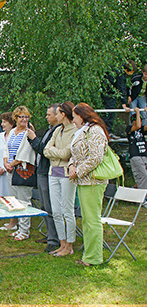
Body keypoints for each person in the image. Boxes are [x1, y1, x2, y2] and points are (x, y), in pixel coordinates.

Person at [68, 103, 109, 267]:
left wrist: (78, 171)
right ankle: (88, 255)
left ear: (82, 115)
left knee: (92, 220)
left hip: (93, 181)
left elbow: (96, 157)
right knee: (86, 220)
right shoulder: (82, 131)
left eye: (74, 116)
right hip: (83, 180)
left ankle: (94, 258)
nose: (72, 119)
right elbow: (76, 154)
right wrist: (71, 166)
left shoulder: (96, 130)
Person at [43, 101, 78, 256]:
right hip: (53, 172)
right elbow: (45, 150)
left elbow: (67, 154)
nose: (55, 116)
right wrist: (57, 151)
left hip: (66, 174)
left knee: (67, 210)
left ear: (63, 114)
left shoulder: (75, 131)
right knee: (56, 211)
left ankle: (69, 245)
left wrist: (54, 151)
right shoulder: (57, 130)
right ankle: (62, 243)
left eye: (57, 113)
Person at [27, 104, 61, 253]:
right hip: (41, 170)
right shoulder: (50, 130)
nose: (46, 117)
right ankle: (50, 235)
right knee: (44, 205)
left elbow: (44, 150)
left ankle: (55, 239)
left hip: (49, 171)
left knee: (50, 206)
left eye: (49, 115)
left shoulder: (59, 131)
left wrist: (33, 138)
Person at [3, 106, 36, 241]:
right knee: (14, 200)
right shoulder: (12, 132)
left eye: (26, 117)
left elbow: (25, 153)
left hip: (22, 170)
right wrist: (6, 162)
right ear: (15, 118)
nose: (24, 119)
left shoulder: (28, 133)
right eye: (21, 117)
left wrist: (12, 164)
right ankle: (18, 228)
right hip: (10, 169)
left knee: (24, 201)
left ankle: (25, 230)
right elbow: (7, 149)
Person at [0, 112, 17, 231]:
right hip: (0, 172)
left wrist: (6, 167)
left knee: (12, 197)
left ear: (11, 123)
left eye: (4, 122)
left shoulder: (16, 136)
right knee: (2, 196)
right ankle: (5, 216)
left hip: (11, 171)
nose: (2, 124)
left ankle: (14, 221)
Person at [100, 61, 133, 139]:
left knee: (107, 113)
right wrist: (124, 104)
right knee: (109, 113)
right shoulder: (120, 74)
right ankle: (107, 132)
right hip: (109, 93)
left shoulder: (116, 69)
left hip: (106, 91)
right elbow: (121, 88)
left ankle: (106, 131)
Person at [126, 107, 147, 189]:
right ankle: (143, 198)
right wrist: (138, 112)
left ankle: (134, 190)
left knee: (144, 176)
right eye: (139, 119)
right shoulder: (129, 129)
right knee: (143, 176)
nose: (141, 122)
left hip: (144, 155)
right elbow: (137, 126)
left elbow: (141, 126)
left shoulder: (142, 130)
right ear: (133, 121)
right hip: (136, 156)